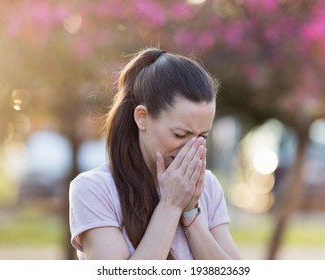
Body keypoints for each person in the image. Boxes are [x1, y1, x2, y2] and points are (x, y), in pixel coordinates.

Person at [69, 48, 241, 260]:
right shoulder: (94, 189)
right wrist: (170, 204)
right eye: (180, 134)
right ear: (142, 117)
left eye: (202, 137)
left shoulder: (207, 186)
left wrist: (191, 215)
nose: (191, 149)